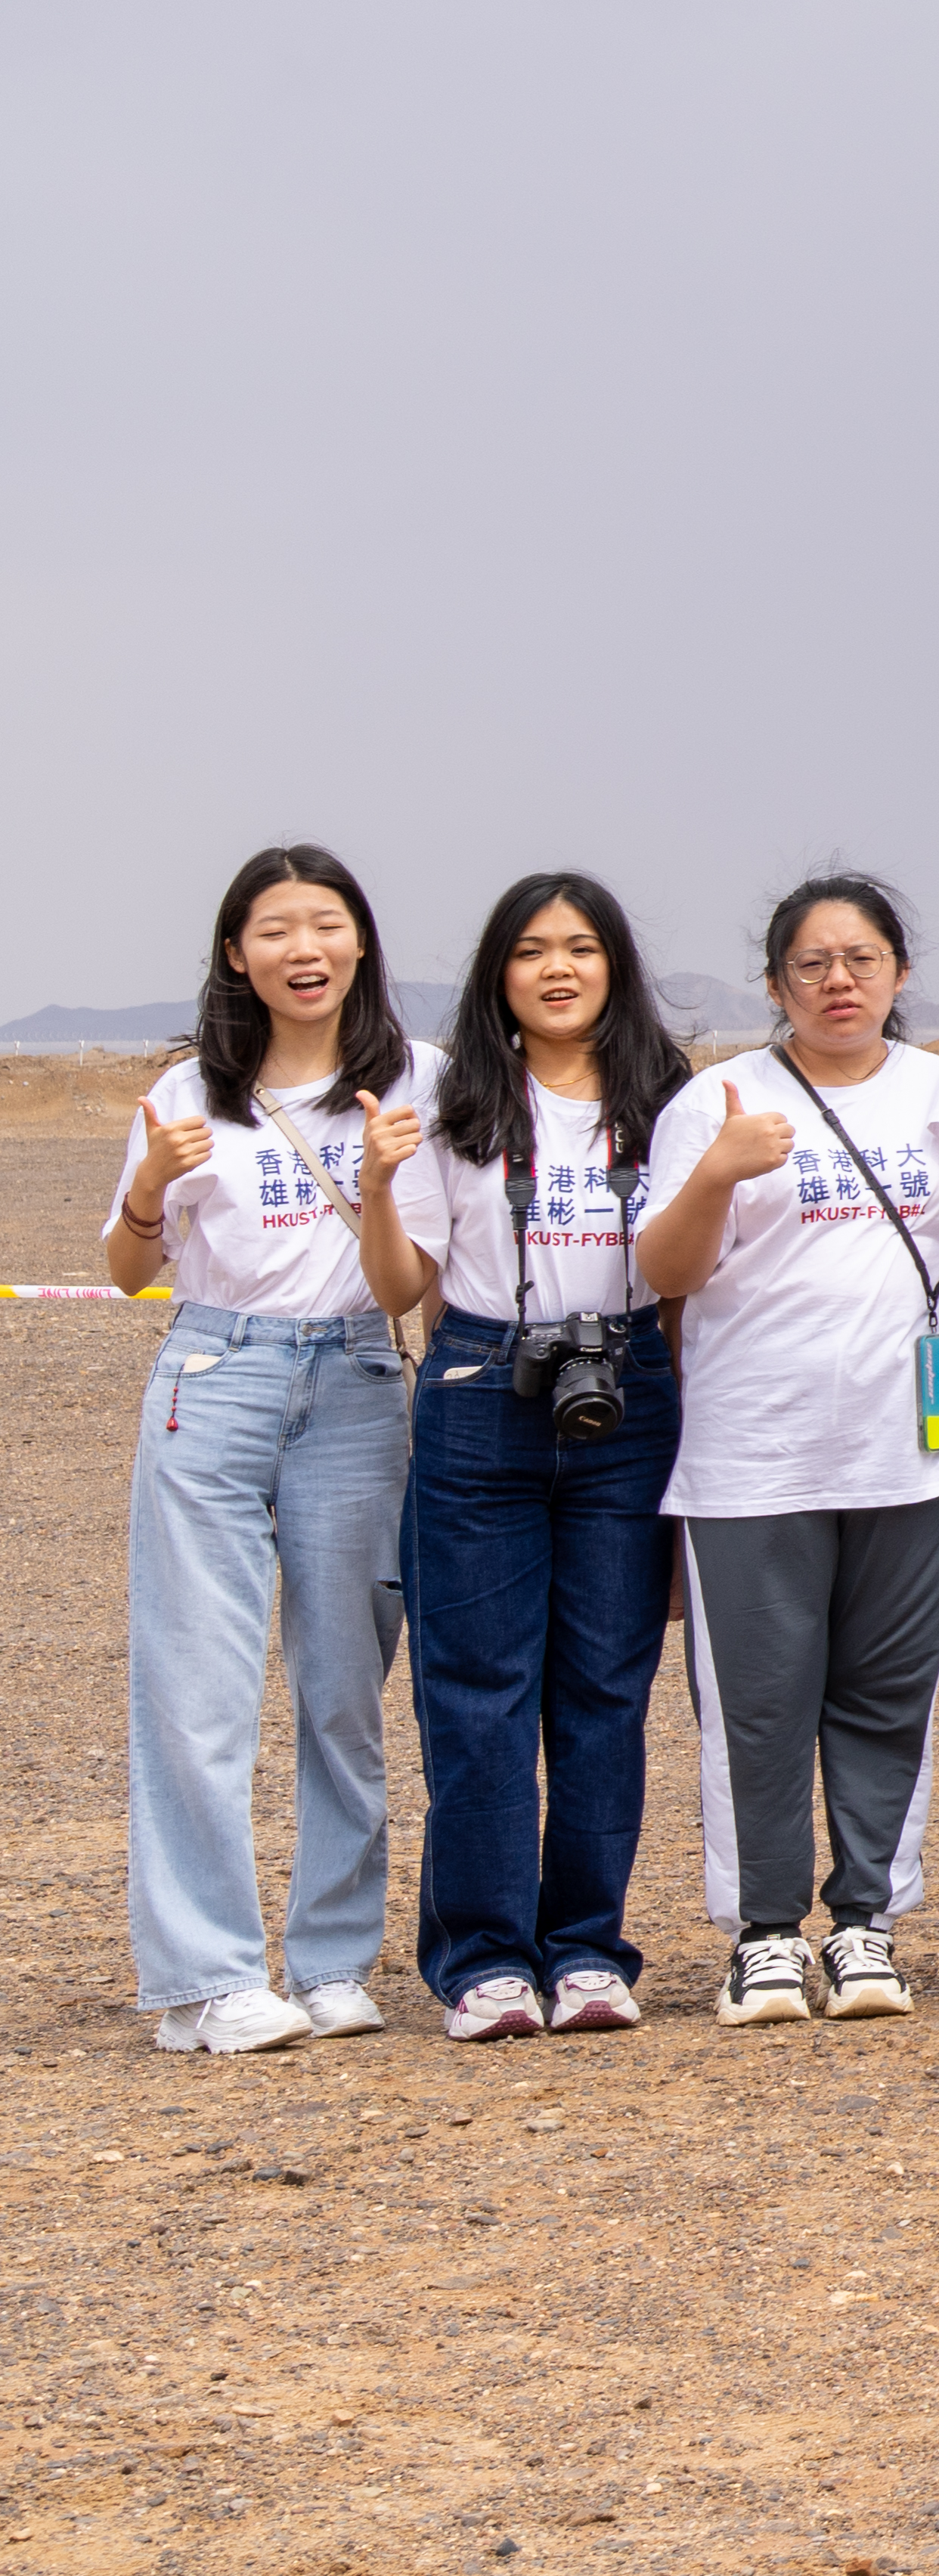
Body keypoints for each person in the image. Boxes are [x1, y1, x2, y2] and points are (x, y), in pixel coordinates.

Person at [370, 871, 693, 2041]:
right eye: (531, 951)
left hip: (627, 1394)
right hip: (480, 1390)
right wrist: (372, 1187)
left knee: (606, 1691)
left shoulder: (671, 1102)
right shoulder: (454, 1101)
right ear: (497, 974)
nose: (558, 969)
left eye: (582, 948)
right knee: (477, 1694)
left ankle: (590, 1950)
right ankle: (485, 1959)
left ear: (617, 966)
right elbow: (403, 1282)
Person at [640, 879, 939, 2028]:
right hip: (753, 1461)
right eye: (814, 964)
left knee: (889, 1698)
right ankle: (767, 1934)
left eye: (863, 959)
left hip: (909, 1458)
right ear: (775, 981)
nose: (841, 982)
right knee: (761, 1707)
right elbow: (666, 1274)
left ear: (899, 972)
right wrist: (722, 1168)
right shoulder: (717, 1099)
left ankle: (867, 1923)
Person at [116, 844, 423, 2053]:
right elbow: (127, 1267)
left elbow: (407, 1284)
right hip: (215, 1374)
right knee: (197, 1686)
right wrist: (148, 1185)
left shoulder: (417, 1081)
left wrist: (389, 1184)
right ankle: (207, 1976)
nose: (305, 949)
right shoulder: (190, 1092)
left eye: (327, 924)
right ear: (236, 954)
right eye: (276, 929)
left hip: (356, 1377)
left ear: (359, 943)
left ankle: (336, 1960)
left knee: (345, 1687)